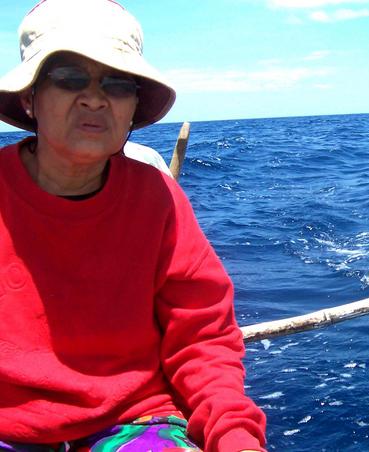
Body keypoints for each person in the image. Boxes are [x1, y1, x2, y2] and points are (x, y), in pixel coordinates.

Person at [0, 1, 266, 451]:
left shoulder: (159, 199)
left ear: (132, 107)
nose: (94, 97)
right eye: (68, 77)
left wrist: (235, 437)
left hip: (132, 420)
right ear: (30, 98)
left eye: (117, 83)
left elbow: (204, 340)